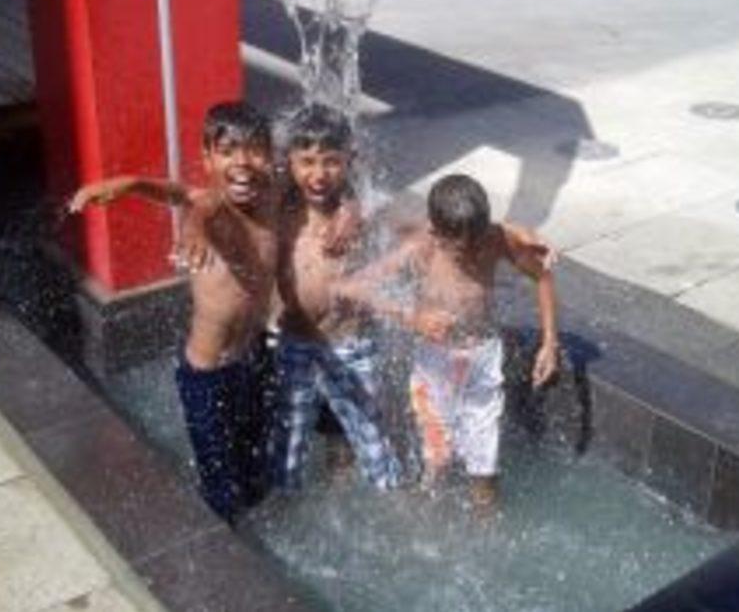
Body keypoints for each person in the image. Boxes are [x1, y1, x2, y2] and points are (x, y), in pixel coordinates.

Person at [69, 101, 278, 523]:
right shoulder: (212, 207)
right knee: (219, 478)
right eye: (227, 151)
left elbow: (170, 190)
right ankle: (222, 533)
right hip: (207, 375)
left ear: (271, 156)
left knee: (257, 458)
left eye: (255, 150)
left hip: (253, 356)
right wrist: (190, 227)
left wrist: (132, 183)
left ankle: (257, 519)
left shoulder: (273, 199)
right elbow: (194, 203)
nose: (242, 162)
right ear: (207, 158)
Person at [338, 173, 560, 512]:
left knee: (485, 461)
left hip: (483, 357)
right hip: (435, 362)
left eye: (477, 243)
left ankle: (486, 518)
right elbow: (353, 288)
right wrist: (410, 316)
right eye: (459, 249)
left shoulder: (495, 239)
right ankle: (427, 513)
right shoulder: (421, 249)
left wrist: (549, 342)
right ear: (436, 233)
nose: (471, 253)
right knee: (437, 458)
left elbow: (542, 275)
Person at [269, 104, 402, 491]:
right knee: (288, 441)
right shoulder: (280, 209)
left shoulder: (362, 214)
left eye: (331, 162)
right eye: (307, 162)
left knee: (373, 435)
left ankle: (388, 494)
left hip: (351, 344)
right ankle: (286, 498)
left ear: (349, 160)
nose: (319, 174)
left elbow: (412, 234)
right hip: (294, 344)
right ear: (290, 161)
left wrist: (354, 207)